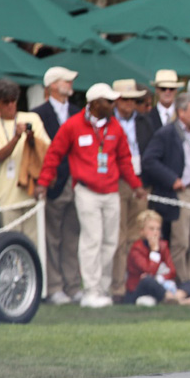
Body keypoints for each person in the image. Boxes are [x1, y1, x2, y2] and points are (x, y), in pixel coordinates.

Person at [35, 83, 147, 308]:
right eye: (108, 101)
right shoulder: (73, 125)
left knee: (110, 241)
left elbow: (124, 160)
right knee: (92, 239)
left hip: (111, 191)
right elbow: (54, 155)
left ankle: (102, 289)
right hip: (86, 190)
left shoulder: (115, 127)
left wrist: (136, 185)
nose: (113, 104)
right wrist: (43, 182)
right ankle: (91, 290)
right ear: (95, 103)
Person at [142, 93, 190, 290]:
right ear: (181, 112)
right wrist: (172, 179)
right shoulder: (167, 133)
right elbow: (149, 160)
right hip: (182, 193)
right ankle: (183, 282)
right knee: (181, 241)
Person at [32, 66, 82, 304]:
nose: (70, 84)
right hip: (54, 183)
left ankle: (73, 285)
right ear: (52, 85)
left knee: (72, 236)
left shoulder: (76, 112)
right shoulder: (38, 114)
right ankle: (54, 286)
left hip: (77, 182)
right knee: (52, 237)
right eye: (66, 80)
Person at [109, 79, 153, 302]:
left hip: (140, 182)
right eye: (125, 99)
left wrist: (142, 183)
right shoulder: (109, 122)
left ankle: (132, 286)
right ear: (116, 100)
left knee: (136, 236)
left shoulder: (145, 121)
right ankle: (117, 287)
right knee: (118, 236)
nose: (129, 104)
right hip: (117, 182)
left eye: (133, 99)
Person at [0, 79, 50, 243]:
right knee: (11, 242)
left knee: (34, 241)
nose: (11, 105)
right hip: (7, 195)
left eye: (13, 100)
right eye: (6, 102)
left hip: (30, 190)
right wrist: (17, 137)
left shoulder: (32, 117)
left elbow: (45, 149)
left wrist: (31, 139)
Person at [124, 209, 190, 306]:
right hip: (139, 289)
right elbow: (149, 271)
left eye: (158, 229)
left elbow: (172, 271)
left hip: (162, 285)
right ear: (142, 231)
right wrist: (154, 250)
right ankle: (180, 301)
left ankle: (175, 299)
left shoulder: (163, 245)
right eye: (151, 229)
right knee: (148, 280)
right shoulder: (136, 249)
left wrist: (160, 278)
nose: (155, 232)